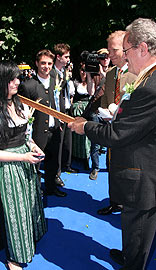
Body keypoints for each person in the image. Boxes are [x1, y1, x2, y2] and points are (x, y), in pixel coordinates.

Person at [68, 17, 156, 270]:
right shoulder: (146, 79)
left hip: (143, 177)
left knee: (139, 231)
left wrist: (84, 126)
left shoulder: (150, 87)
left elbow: (117, 135)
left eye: (126, 51)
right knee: (134, 230)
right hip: (140, 169)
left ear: (142, 48)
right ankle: (131, 257)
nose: (125, 58)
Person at [0, 62, 47, 270]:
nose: (18, 82)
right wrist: (22, 158)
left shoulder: (18, 103)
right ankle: (15, 256)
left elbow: (24, 136)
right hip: (8, 168)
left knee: (30, 203)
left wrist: (33, 147)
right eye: (12, 79)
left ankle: (29, 240)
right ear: (0, 82)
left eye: (17, 78)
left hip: (26, 161)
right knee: (14, 210)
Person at [97, 31, 136, 215]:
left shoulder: (138, 74)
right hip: (111, 130)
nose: (109, 55)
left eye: (114, 50)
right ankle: (115, 201)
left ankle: (128, 206)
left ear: (126, 49)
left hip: (130, 135)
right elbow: (106, 98)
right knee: (111, 165)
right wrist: (105, 111)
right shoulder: (111, 73)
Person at [19, 49, 67, 197]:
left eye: (49, 63)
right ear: (37, 64)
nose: (46, 66)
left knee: (53, 163)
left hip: (55, 129)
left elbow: (61, 104)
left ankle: (51, 188)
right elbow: (23, 111)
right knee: (35, 164)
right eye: (43, 63)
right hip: (38, 132)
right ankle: (33, 191)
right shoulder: (28, 86)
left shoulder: (57, 82)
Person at [84, 48, 111, 180]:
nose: (105, 59)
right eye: (102, 57)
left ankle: (110, 165)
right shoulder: (95, 74)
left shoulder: (115, 71)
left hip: (110, 112)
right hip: (96, 111)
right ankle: (95, 167)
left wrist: (103, 73)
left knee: (110, 141)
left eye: (107, 56)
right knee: (95, 142)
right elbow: (90, 92)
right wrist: (89, 75)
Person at [53, 43, 77, 178]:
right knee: (59, 143)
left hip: (68, 109)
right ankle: (56, 172)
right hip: (58, 112)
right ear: (58, 57)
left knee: (68, 140)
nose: (68, 59)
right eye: (66, 57)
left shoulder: (65, 72)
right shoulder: (53, 74)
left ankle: (67, 165)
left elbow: (70, 92)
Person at [72, 62, 92, 170]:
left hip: (87, 110)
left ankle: (86, 158)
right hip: (76, 111)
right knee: (76, 135)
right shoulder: (74, 83)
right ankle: (76, 156)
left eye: (86, 70)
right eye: (82, 70)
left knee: (86, 136)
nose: (84, 72)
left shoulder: (91, 82)